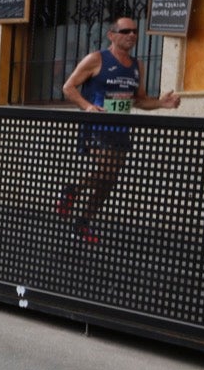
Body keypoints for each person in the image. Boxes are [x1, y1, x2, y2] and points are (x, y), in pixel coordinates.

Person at [59, 16, 181, 243]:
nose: (132, 35)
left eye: (135, 31)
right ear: (111, 35)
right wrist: (87, 106)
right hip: (97, 125)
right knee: (106, 172)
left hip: (121, 129)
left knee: (110, 179)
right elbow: (68, 87)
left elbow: (140, 100)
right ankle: (72, 191)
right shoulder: (96, 59)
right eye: (125, 31)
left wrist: (161, 103)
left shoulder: (138, 66)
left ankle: (82, 219)